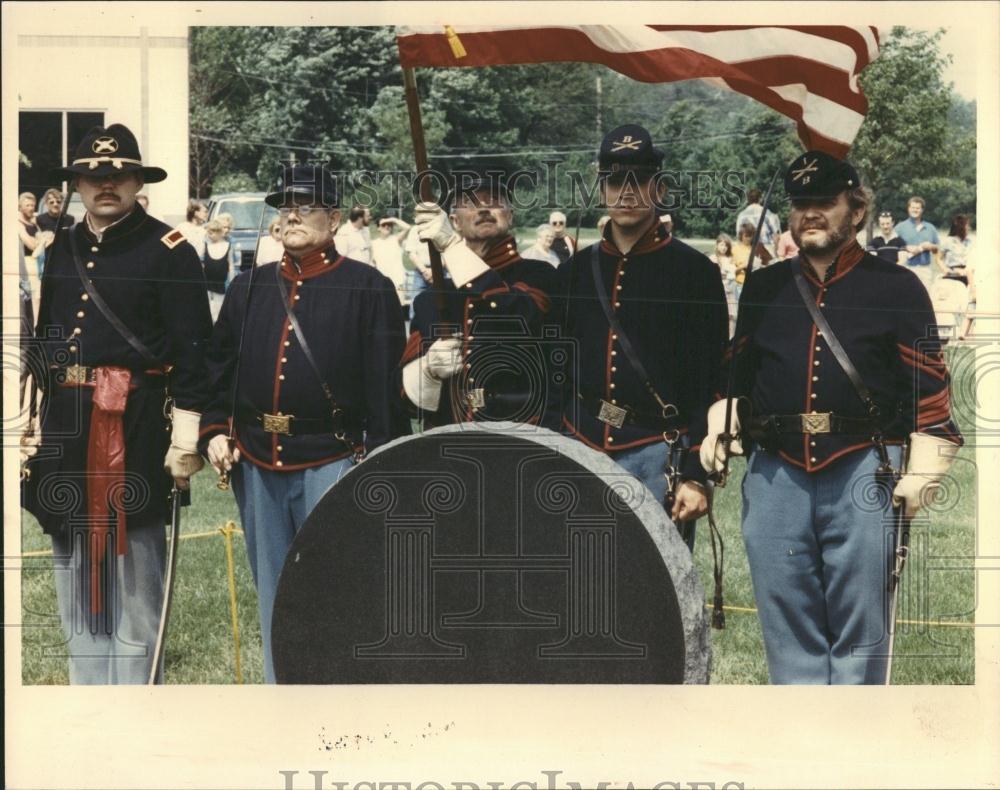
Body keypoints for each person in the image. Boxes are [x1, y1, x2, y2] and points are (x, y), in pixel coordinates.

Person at [701, 150, 962, 684]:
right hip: (776, 473)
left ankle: (856, 752)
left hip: (865, 468)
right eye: (801, 204)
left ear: (857, 208)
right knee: (787, 631)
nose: (810, 214)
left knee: (861, 637)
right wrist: (723, 413)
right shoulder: (766, 286)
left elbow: (931, 388)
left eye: (825, 201)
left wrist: (927, 466)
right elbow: (736, 374)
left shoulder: (896, 287)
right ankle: (803, 747)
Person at [200, 165, 407, 683]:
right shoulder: (248, 287)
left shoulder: (368, 287)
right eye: (285, 206)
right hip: (259, 462)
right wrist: (214, 431)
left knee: (336, 590)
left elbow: (386, 390)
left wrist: (380, 464)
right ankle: (281, 698)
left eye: (307, 206)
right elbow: (218, 369)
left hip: (333, 460)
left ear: (333, 218)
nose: (292, 215)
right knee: (273, 592)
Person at [22, 123, 212, 684]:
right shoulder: (60, 248)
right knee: (73, 572)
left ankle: (132, 705)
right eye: (94, 176)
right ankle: (89, 701)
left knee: (134, 580)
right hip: (68, 426)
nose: (106, 185)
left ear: (137, 183)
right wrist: (32, 420)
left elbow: (194, 350)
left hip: (137, 427)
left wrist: (187, 436)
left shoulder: (169, 250)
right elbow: (46, 339)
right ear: (78, 184)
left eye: (119, 176)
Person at [553, 124, 729, 549]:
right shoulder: (574, 272)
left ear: (659, 187)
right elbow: (554, 372)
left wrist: (695, 473)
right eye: (616, 181)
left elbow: (712, 381)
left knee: (656, 598)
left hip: (656, 451)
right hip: (582, 443)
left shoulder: (695, 273)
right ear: (602, 189)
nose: (627, 192)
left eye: (640, 180)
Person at [401, 165, 559, 428]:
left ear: (511, 216)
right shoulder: (430, 300)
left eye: (495, 200)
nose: (484, 207)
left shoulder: (539, 275)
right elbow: (404, 399)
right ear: (453, 222)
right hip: (448, 444)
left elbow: (521, 315)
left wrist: (451, 247)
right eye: (470, 201)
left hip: (524, 438)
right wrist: (426, 370)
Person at [930, 214, 975, 340]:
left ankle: (964, 331)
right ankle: (944, 334)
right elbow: (938, 258)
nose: (969, 228)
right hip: (953, 274)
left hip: (967, 273)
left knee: (967, 302)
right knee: (946, 303)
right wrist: (946, 270)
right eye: (967, 225)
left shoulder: (970, 242)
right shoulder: (948, 241)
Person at [370, 215, 412, 321]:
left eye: (389, 225)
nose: (387, 227)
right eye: (384, 225)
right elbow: (372, 262)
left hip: (398, 281)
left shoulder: (396, 239)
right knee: (382, 309)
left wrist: (392, 219)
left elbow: (407, 227)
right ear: (378, 228)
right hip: (382, 281)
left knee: (399, 307)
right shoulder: (374, 243)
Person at [894, 196, 939, 288]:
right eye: (912, 208)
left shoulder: (930, 228)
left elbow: (937, 248)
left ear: (922, 210)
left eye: (918, 208)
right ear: (908, 209)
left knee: (926, 297)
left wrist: (930, 246)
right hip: (906, 268)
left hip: (925, 270)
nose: (915, 210)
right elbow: (892, 247)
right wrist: (905, 247)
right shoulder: (899, 227)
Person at [202, 218, 235, 322]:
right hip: (207, 283)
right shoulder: (206, 245)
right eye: (208, 233)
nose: (208, 236)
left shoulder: (227, 246)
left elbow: (231, 265)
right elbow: (202, 263)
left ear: (219, 232)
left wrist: (232, 282)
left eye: (211, 233)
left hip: (221, 283)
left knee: (219, 308)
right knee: (208, 307)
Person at [735, 187, 781, 255]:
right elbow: (776, 235)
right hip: (768, 251)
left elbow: (739, 237)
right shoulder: (769, 214)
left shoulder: (741, 215)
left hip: (748, 251)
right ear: (760, 199)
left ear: (748, 199)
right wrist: (776, 252)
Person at [709, 233, 738, 338]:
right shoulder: (713, 258)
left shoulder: (730, 258)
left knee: (732, 315)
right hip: (719, 289)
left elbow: (734, 272)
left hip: (730, 289)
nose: (724, 248)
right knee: (719, 313)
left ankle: (731, 336)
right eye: (721, 245)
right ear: (717, 245)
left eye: (726, 245)